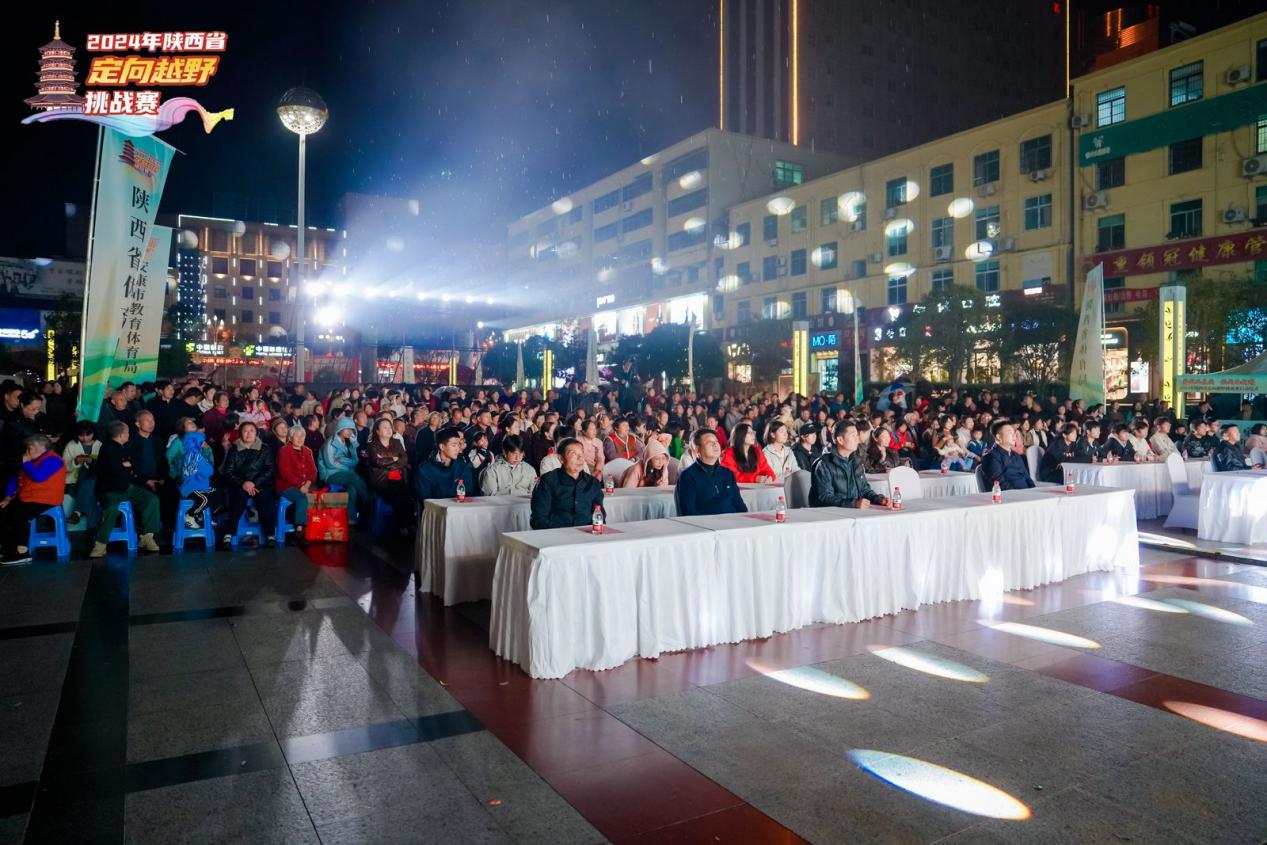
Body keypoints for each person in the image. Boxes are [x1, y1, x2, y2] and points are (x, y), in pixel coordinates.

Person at [92, 420, 162, 557]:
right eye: (127, 432)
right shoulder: (108, 449)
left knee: (151, 499)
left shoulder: (125, 446)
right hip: (110, 490)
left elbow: (136, 465)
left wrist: (129, 467)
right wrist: (128, 468)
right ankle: (100, 544)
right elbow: (119, 471)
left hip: (127, 487)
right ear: (121, 435)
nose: (129, 434)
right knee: (112, 509)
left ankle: (147, 537)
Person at [0, 434, 66, 564]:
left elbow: (38, 476)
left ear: (41, 448)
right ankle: (6, 547)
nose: (26, 452)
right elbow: (15, 478)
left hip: (46, 499)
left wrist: (26, 462)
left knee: (19, 515)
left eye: (29, 448)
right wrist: (8, 497)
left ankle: (22, 552)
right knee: (4, 510)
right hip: (27, 497)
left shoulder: (54, 459)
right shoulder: (31, 461)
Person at [221, 421, 277, 548]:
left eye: (252, 430)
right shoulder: (234, 450)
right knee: (237, 499)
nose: (249, 433)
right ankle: (228, 534)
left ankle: (270, 534)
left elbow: (269, 469)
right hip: (240, 484)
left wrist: (254, 483)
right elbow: (228, 471)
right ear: (240, 433)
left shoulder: (264, 449)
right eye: (245, 431)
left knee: (264, 500)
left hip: (260, 484)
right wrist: (243, 483)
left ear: (256, 433)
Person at [809, 421, 889, 508]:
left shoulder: (856, 462)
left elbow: (864, 490)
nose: (857, 439)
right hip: (830, 514)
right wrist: (854, 504)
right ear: (840, 440)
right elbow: (825, 497)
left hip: (852, 511)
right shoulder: (823, 464)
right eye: (853, 436)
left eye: (857, 435)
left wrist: (878, 499)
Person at [530, 438, 605, 529]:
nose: (580, 458)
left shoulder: (592, 483)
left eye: (581, 453)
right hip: (556, 533)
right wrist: (563, 533)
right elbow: (538, 519)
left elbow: (600, 514)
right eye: (573, 454)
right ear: (561, 459)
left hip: (587, 534)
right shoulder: (548, 481)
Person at [675, 429, 748, 516]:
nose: (715, 444)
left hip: (732, 521)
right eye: (709, 442)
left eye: (716, 441)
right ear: (697, 449)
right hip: (705, 523)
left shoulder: (727, 473)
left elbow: (740, 506)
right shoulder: (688, 476)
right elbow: (688, 513)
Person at [319, 416, 368, 523]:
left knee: (352, 489)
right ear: (340, 428)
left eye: (352, 429)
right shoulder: (330, 443)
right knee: (354, 477)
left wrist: (353, 446)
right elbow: (330, 464)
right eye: (347, 429)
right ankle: (368, 504)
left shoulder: (346, 443)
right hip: (330, 475)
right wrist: (347, 464)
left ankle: (350, 518)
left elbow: (355, 462)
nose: (350, 432)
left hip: (343, 474)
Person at [367, 417, 412, 531]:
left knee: (408, 495)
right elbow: (377, 461)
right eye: (385, 427)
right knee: (399, 494)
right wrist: (394, 458)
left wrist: (388, 462)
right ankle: (402, 527)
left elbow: (404, 459)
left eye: (390, 427)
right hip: (382, 481)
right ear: (377, 431)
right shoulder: (373, 445)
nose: (388, 430)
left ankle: (407, 525)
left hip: (399, 478)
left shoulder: (396, 442)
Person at [276, 425, 317, 536]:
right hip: (286, 485)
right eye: (296, 436)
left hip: (305, 485)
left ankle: (316, 527)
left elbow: (313, 471)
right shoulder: (284, 451)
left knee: (318, 497)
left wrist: (307, 484)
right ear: (290, 438)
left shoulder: (307, 451)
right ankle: (299, 529)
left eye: (302, 436)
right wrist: (300, 485)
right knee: (302, 499)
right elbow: (285, 473)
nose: (300, 438)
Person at [414, 427, 474, 501]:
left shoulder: (463, 467)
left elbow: (468, 495)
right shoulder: (425, 469)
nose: (457, 449)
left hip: (459, 507)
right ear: (442, 446)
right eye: (453, 445)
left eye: (458, 445)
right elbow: (424, 499)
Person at [173, 428, 215, 530]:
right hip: (194, 488)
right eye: (202, 442)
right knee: (205, 499)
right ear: (197, 443)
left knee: (214, 492)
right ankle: (190, 515)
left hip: (188, 488)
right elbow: (209, 471)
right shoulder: (198, 458)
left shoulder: (185, 457)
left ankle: (201, 515)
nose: (204, 443)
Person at [62, 419, 100, 527]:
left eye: (88, 435)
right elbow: (63, 468)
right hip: (74, 482)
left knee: (92, 482)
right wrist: (75, 461)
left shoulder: (100, 445)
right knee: (92, 487)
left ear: (93, 433)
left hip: (92, 481)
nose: (85, 438)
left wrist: (92, 461)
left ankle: (77, 513)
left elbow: (105, 466)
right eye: (81, 435)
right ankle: (93, 531)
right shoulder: (71, 445)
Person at [980, 421, 1035, 490]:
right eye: (1009, 433)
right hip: (1010, 495)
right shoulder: (991, 457)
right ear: (999, 437)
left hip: (1026, 493)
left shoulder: (1016, 456)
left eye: (1014, 433)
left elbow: (1027, 478)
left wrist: (1034, 490)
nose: (1014, 436)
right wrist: (1022, 494)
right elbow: (1000, 484)